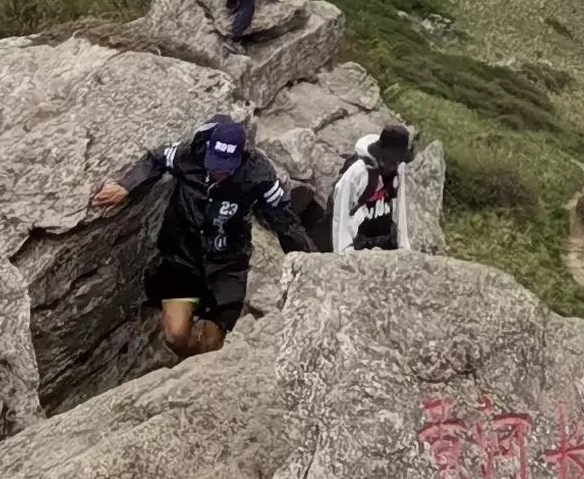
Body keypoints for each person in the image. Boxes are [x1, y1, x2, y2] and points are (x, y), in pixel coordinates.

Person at [89, 114, 316, 355]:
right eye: (214, 163)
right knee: (176, 336)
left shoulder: (259, 176)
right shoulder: (190, 154)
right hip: (182, 258)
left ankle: (199, 367)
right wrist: (126, 186)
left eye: (225, 168)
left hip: (227, 265)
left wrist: (311, 264)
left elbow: (286, 222)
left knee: (211, 347)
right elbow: (156, 159)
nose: (217, 171)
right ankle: (188, 363)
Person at [329, 122, 421, 251]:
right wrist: (343, 252)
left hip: (385, 240)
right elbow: (342, 213)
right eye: (389, 159)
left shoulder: (398, 170)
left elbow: (401, 209)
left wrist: (403, 247)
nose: (392, 165)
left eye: (397, 160)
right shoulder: (358, 172)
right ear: (381, 153)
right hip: (359, 243)